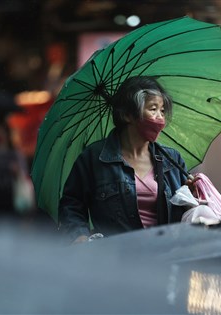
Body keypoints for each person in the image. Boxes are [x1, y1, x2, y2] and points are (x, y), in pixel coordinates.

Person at [59, 76, 193, 243]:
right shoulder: (93, 158)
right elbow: (71, 207)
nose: (160, 118)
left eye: (162, 111)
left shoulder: (172, 160)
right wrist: (80, 236)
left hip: (165, 258)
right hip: (116, 261)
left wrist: (192, 194)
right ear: (128, 115)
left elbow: (186, 215)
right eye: (153, 109)